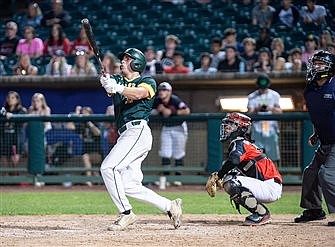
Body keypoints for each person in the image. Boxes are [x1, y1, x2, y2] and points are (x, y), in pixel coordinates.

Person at [99, 47, 182, 231]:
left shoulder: (147, 80)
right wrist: (106, 81)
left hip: (137, 132)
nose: (122, 62)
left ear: (136, 63)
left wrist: (116, 87)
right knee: (128, 185)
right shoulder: (119, 80)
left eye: (127, 59)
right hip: (126, 135)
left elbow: (138, 94)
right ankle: (170, 206)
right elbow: (111, 86)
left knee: (108, 167)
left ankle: (126, 213)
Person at [205, 112, 282, 225]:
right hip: (269, 185)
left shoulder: (239, 142)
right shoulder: (244, 143)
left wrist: (219, 175)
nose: (227, 127)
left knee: (230, 181)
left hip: (269, 186)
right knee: (231, 176)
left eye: (231, 124)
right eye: (227, 124)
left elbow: (234, 160)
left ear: (241, 128)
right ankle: (260, 212)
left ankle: (262, 214)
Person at [294, 50, 335, 227]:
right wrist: (316, 133)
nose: (315, 67)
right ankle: (314, 209)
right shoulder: (310, 90)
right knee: (311, 173)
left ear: (329, 68)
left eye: (320, 64)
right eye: (315, 63)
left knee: (326, 175)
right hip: (326, 140)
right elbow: (318, 115)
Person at [151, 82, 191, 178]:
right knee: (165, 152)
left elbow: (187, 111)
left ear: (169, 92)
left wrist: (171, 112)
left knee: (179, 152)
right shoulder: (157, 101)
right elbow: (149, 110)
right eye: (160, 90)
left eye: (164, 90)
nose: (161, 92)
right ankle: (166, 177)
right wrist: (157, 111)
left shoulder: (175, 100)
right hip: (167, 127)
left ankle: (178, 178)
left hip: (179, 127)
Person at [247, 74, 282, 165]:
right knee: (257, 154)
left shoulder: (274, 95)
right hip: (257, 128)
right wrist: (257, 109)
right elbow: (249, 113)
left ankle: (273, 175)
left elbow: (279, 112)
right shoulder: (252, 96)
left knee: (272, 155)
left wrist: (270, 108)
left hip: (271, 128)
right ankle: (258, 174)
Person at [69, 106, 103, 185]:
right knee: (83, 159)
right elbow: (70, 127)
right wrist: (77, 114)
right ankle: (95, 180)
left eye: (85, 112)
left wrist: (89, 122)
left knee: (85, 157)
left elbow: (98, 133)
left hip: (97, 154)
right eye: (82, 113)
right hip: (85, 153)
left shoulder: (95, 122)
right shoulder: (82, 125)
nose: (84, 114)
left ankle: (88, 180)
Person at [0, 91, 27, 176]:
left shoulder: (22, 110)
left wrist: (13, 116)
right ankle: (6, 182)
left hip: (17, 140)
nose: (10, 100)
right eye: (8, 98)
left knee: (14, 162)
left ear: (17, 99)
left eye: (12, 98)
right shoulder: (3, 110)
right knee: (4, 162)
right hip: (5, 139)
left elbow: (23, 123)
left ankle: (15, 183)